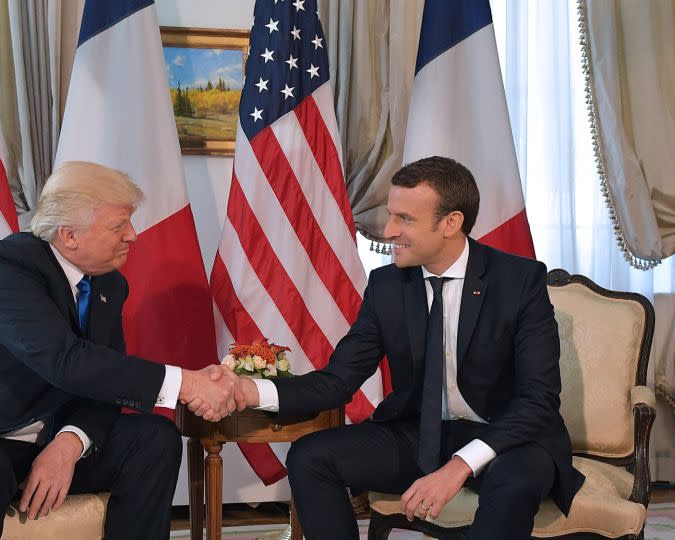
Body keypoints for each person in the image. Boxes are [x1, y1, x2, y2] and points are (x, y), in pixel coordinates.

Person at [0, 161, 242, 539]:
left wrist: (70, 443)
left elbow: (105, 383)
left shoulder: (108, 286)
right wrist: (185, 384)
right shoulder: (2, 268)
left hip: (34, 443)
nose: (133, 235)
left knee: (153, 440)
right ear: (68, 236)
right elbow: (65, 361)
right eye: (118, 226)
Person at [230, 156, 585, 539]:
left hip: (509, 437)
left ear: (451, 223)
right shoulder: (387, 287)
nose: (388, 230)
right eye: (390, 215)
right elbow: (337, 380)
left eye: (405, 219)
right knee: (310, 457)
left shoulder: (519, 281)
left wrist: (458, 466)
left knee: (513, 483)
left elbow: (538, 400)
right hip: (421, 433)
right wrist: (249, 391)